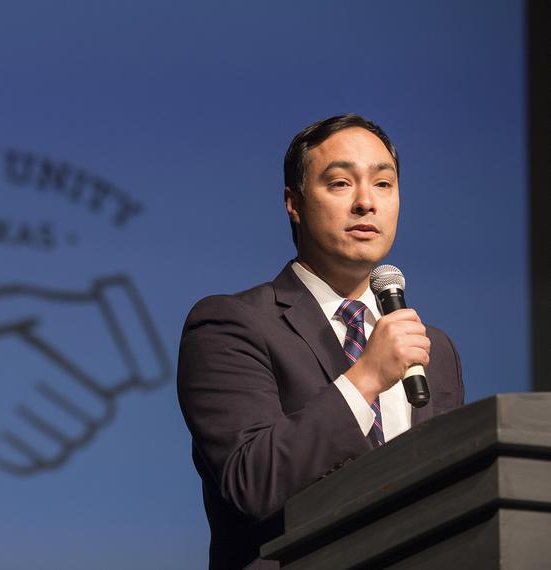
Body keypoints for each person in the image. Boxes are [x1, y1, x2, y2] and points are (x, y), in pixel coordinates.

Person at [176, 114, 465, 570]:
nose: (366, 203)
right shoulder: (230, 324)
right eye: (340, 184)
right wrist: (365, 378)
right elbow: (252, 482)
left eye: (384, 184)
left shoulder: (434, 348)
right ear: (294, 202)